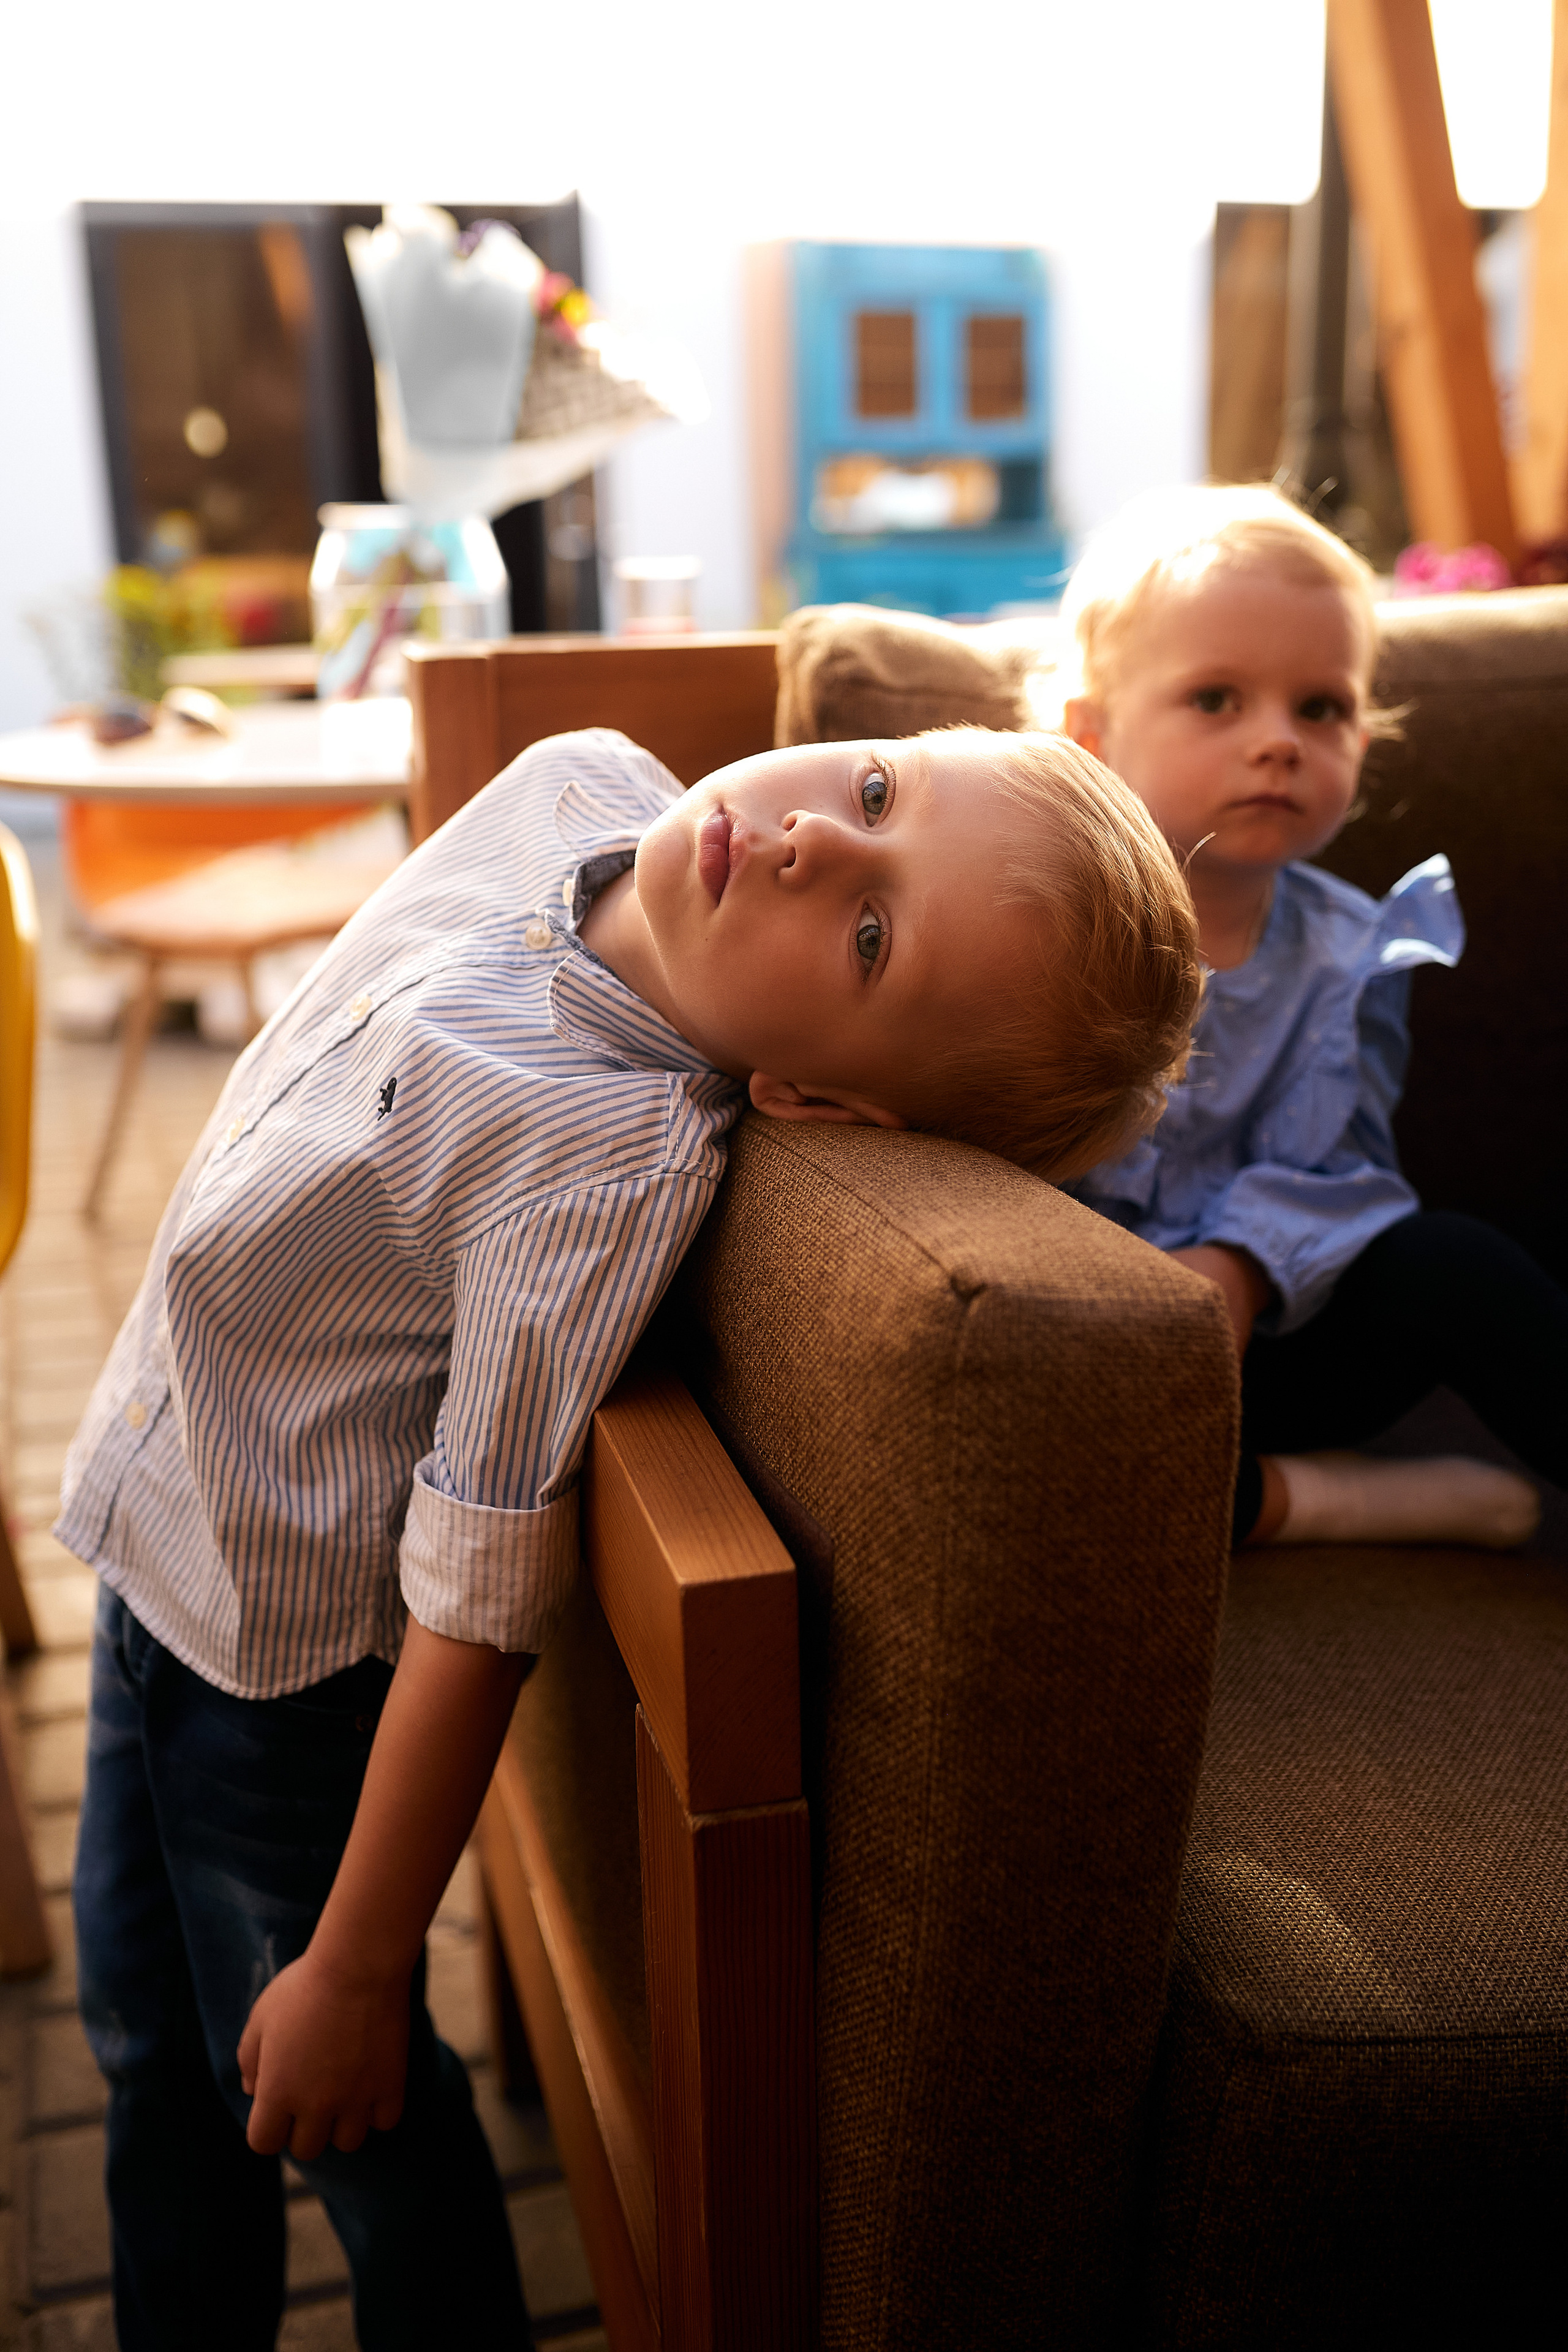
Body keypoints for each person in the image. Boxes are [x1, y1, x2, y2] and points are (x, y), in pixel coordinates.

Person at [56, 722, 1200, 2349]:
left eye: (873, 936)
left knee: (327, 2100)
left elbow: (478, 1587)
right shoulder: (578, 782)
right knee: (140, 2032)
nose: (815, 840)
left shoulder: (600, 1163)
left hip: (268, 1660)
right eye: (878, 788)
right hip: (149, 1510)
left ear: (807, 1092)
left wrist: (369, 1967)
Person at [1060, 483, 1567, 1550]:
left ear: (1363, 742)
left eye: (1321, 707)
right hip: (1081, 1330)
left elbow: (1342, 1164)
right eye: (1216, 700)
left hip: (1277, 1340)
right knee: (1050, 1462)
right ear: (1093, 738)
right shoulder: (1042, 927)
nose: (1278, 742)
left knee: (1455, 1263)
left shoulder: (1351, 953)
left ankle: (1295, 1476)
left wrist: (1242, 1269)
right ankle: (1324, 1502)